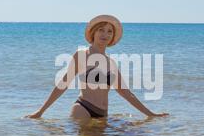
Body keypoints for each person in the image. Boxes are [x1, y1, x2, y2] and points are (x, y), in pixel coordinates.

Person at [26, 14, 169, 119]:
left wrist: (151, 114)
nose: (105, 34)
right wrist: (40, 112)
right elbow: (62, 85)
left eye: (109, 31)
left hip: (103, 115)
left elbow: (126, 93)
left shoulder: (111, 62)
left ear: (112, 37)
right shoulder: (81, 55)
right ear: (93, 32)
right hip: (83, 109)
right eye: (101, 29)